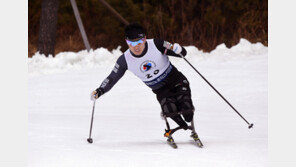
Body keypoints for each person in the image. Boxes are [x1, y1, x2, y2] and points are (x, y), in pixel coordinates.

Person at [91, 23, 195, 130]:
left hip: (176, 80)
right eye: (131, 42)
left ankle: (181, 105)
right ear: (126, 41)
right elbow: (112, 78)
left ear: (145, 39)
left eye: (139, 41)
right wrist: (100, 90)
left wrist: (179, 49)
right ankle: (169, 109)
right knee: (171, 111)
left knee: (187, 112)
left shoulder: (156, 44)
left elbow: (182, 53)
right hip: (160, 90)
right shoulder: (124, 60)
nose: (136, 46)